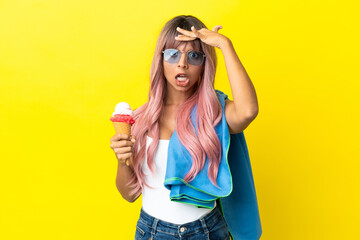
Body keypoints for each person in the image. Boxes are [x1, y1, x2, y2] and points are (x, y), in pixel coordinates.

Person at [110, 15, 261, 240]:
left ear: (204, 65)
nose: (182, 63)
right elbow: (129, 195)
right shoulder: (141, 119)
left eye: (194, 56)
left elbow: (248, 111)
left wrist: (224, 45)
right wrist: (123, 160)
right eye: (172, 54)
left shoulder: (214, 113)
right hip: (151, 232)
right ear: (160, 61)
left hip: (207, 231)